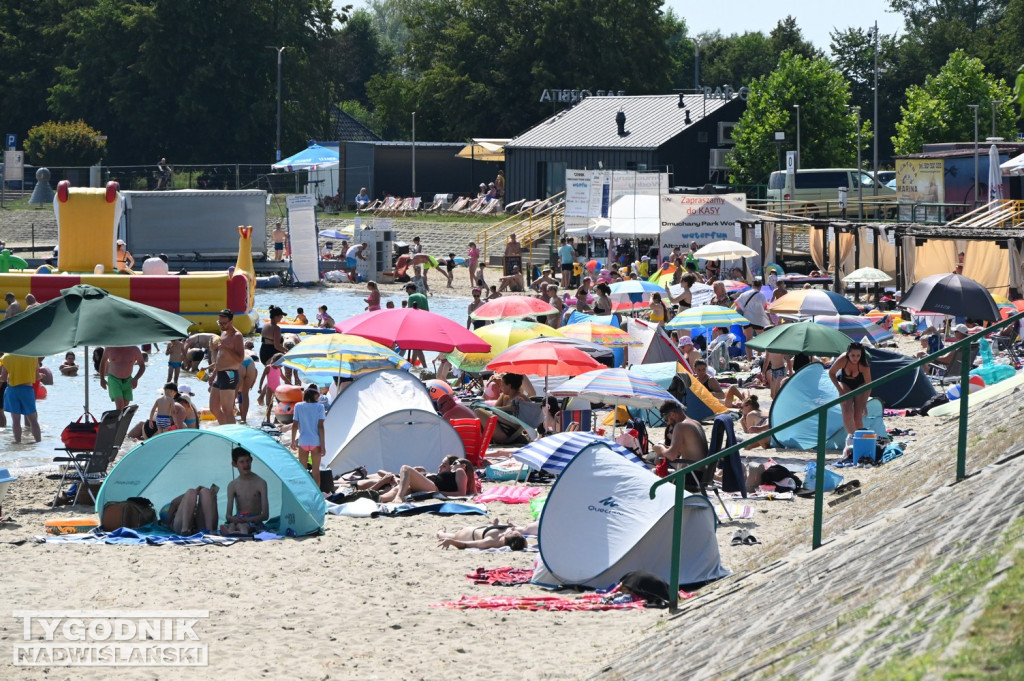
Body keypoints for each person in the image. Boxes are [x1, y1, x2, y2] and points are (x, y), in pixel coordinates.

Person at [829, 341, 872, 453]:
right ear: (848, 353)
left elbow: (869, 385)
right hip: (845, 383)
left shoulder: (863, 365)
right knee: (847, 409)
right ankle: (852, 438)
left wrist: (864, 403)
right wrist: (840, 391)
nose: (855, 358)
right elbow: (831, 373)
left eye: (858, 355)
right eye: (853, 355)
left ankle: (860, 440)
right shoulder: (843, 359)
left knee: (858, 415)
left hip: (860, 384)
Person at [220, 447, 270, 535]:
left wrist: (247, 520)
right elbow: (228, 515)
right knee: (232, 525)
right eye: (242, 462)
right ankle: (232, 533)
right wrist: (233, 519)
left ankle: (240, 534)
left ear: (251, 460)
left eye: (247, 461)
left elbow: (265, 515)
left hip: (254, 521)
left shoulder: (260, 483)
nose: (246, 464)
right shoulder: (232, 485)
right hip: (239, 519)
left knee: (242, 526)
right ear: (234, 464)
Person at [208, 309, 244, 425]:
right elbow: (220, 356)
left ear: (231, 322)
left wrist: (226, 347)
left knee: (227, 410)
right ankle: (225, 431)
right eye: (220, 323)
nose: (222, 326)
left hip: (230, 373)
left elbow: (240, 358)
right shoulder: (223, 333)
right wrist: (213, 374)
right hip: (219, 374)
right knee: (214, 408)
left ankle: (232, 436)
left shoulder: (237, 336)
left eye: (224, 323)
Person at [653, 401, 708, 468]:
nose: (667, 423)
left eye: (666, 419)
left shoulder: (680, 426)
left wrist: (660, 448)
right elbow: (683, 451)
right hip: (703, 472)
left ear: (673, 414)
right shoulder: (696, 423)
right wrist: (666, 448)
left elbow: (671, 456)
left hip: (692, 474)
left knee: (658, 459)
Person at [1, 353, 42, 443]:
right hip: (27, 390)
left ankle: (18, 442)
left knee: (15, 420)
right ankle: (38, 442)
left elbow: (3, 378)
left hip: (12, 390)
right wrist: (41, 376)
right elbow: (37, 376)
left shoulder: (6, 357)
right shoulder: (32, 356)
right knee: (33, 419)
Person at [291, 385, 326, 480]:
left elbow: (295, 426)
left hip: (303, 442)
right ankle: (317, 493)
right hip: (316, 442)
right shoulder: (320, 407)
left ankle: (303, 493)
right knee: (316, 471)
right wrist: (323, 445)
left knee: (303, 471)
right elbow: (320, 427)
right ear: (316, 395)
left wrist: (293, 441)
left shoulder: (298, 406)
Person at [99, 346, 146, 411]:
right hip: (113, 379)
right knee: (120, 406)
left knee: (125, 408)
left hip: (128, 380)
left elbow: (142, 366)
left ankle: (118, 421)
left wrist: (136, 378)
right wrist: (102, 379)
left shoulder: (135, 349)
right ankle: (116, 420)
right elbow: (103, 363)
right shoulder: (109, 348)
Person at [734, 285, 771, 358]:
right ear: (760, 287)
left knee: (748, 340)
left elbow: (738, 304)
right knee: (761, 338)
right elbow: (765, 307)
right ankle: (759, 356)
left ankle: (749, 359)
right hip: (759, 319)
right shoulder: (761, 295)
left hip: (747, 318)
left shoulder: (745, 294)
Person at [437, 523, 528, 551]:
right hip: (475, 528)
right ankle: (442, 531)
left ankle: (440, 531)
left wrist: (451, 542)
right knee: (447, 535)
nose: (513, 530)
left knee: (442, 535)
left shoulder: (490, 541)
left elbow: (465, 545)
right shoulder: (510, 532)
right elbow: (524, 542)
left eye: (513, 532)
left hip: (465, 535)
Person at [237, 341, 259, 422]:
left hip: (240, 363)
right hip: (250, 364)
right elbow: (256, 371)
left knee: (234, 393)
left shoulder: (238, 350)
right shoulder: (252, 352)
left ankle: (230, 418)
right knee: (245, 394)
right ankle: (244, 419)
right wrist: (253, 383)